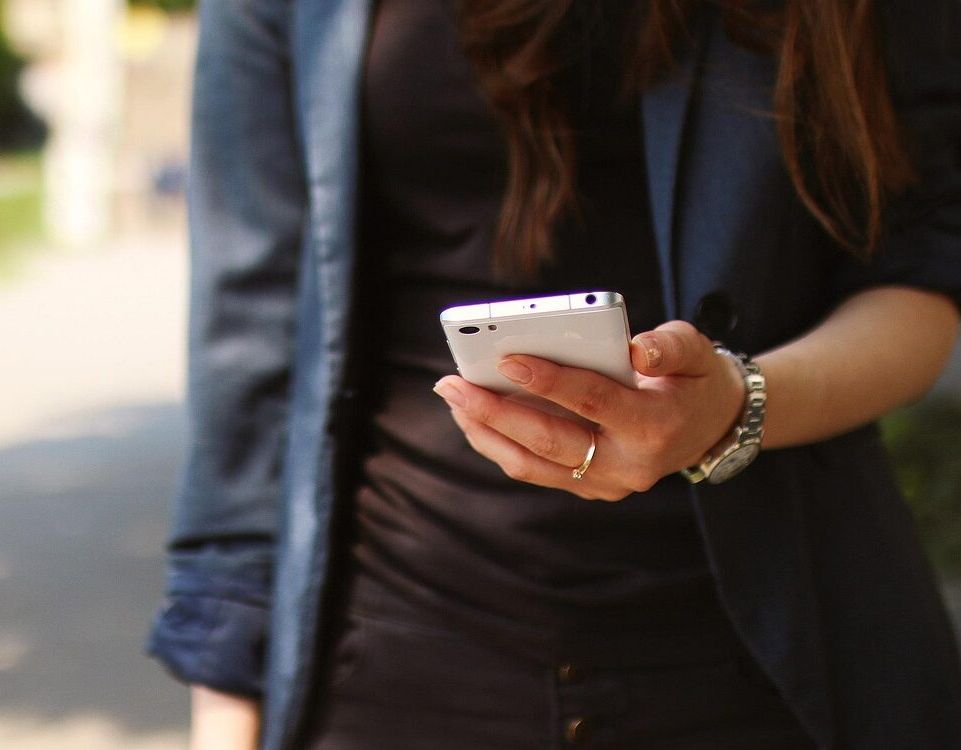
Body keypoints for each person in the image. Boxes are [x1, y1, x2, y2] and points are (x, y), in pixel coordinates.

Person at [148, 0, 961, 748]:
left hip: (780, 662)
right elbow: (252, 341)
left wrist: (737, 405)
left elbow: (921, 274)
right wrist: (227, 706)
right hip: (392, 662)